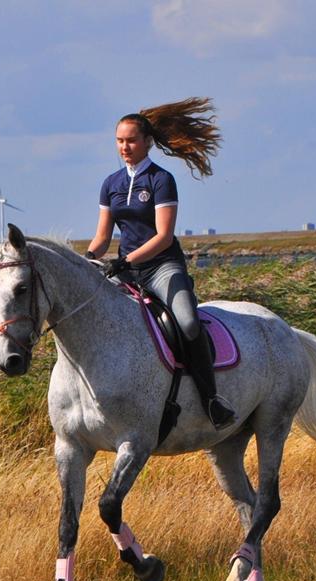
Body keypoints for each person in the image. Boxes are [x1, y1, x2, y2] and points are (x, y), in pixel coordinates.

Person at [83, 97, 236, 429]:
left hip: (162, 267)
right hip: (127, 272)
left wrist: (126, 260)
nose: (125, 147)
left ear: (147, 142)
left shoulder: (160, 180)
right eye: (120, 141)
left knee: (188, 323)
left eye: (131, 140)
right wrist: (86, 259)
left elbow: (164, 236)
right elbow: (101, 239)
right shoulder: (110, 184)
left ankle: (211, 400)